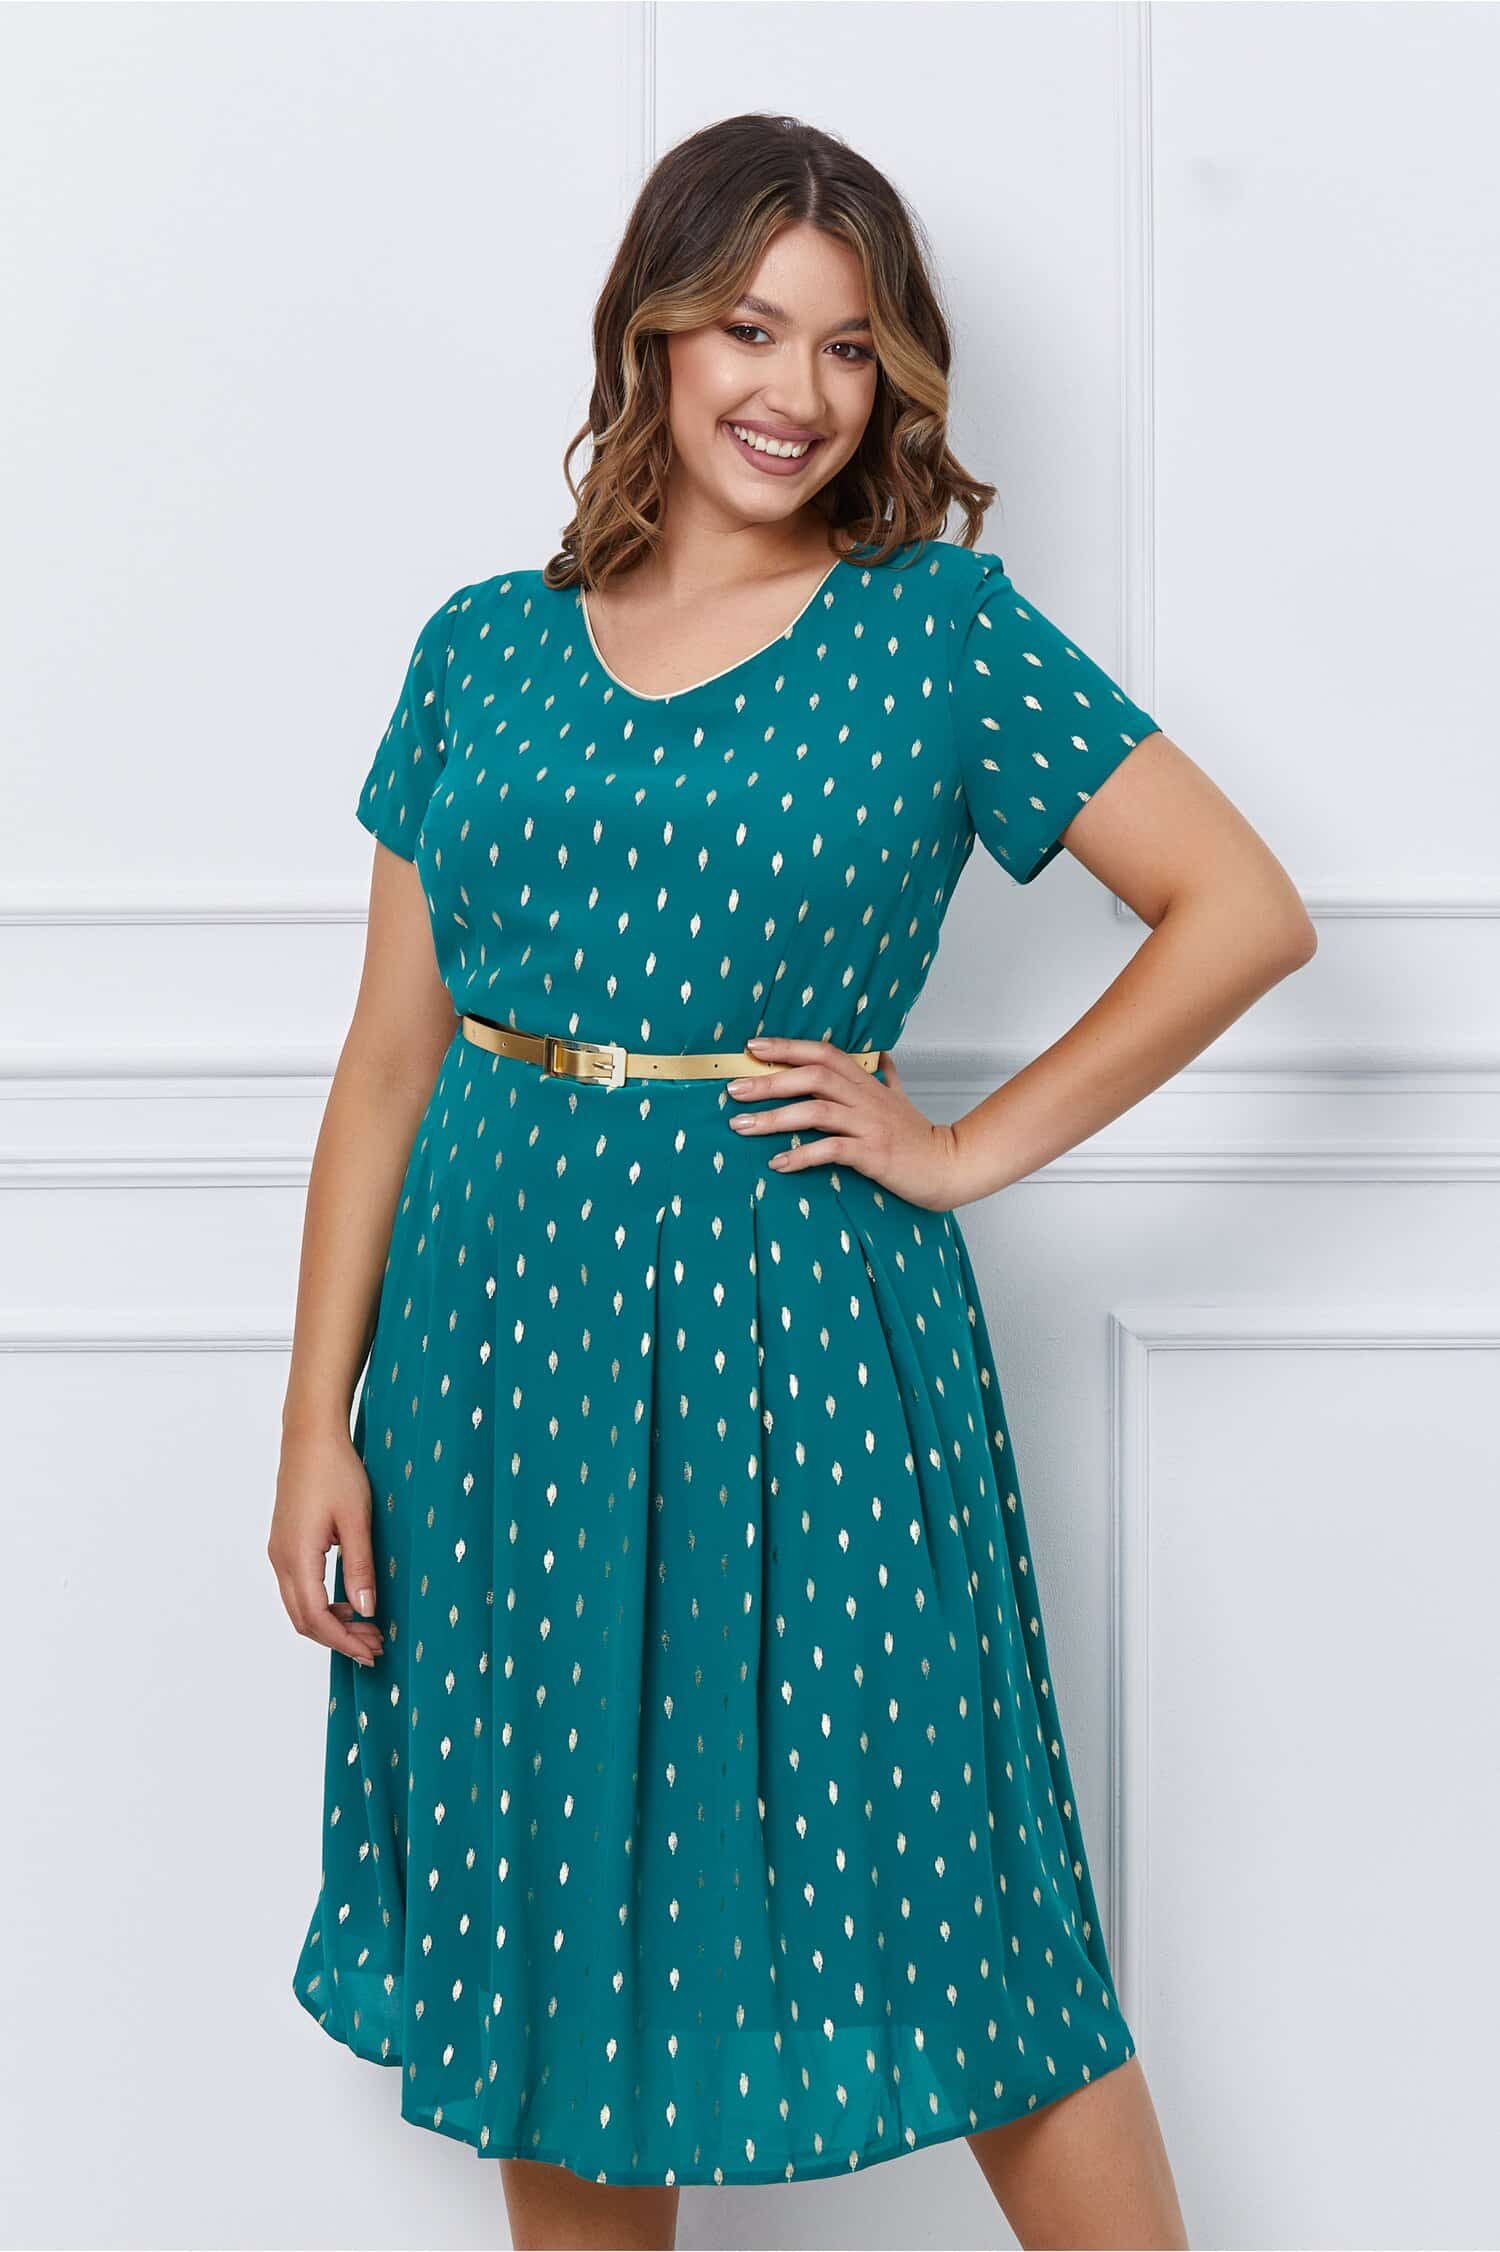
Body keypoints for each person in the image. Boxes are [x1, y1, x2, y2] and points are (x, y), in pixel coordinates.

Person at [269, 110, 1312, 2252]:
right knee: (558, 1932)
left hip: (808, 1347)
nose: (796, 390)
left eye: (849, 347)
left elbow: (1237, 908)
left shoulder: (938, 634)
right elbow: (385, 1063)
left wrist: (967, 1144)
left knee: (965, 1918)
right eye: (750, 327)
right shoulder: (481, 645)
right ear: (651, 336)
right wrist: (314, 1424)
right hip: (497, 1365)